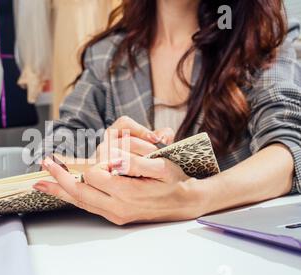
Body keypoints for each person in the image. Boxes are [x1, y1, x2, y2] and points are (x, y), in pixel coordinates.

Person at [31, 0, 301, 225]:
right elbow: (50, 148)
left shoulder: (262, 37)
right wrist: (98, 157)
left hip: (229, 252)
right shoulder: (108, 54)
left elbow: (289, 148)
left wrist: (193, 196)